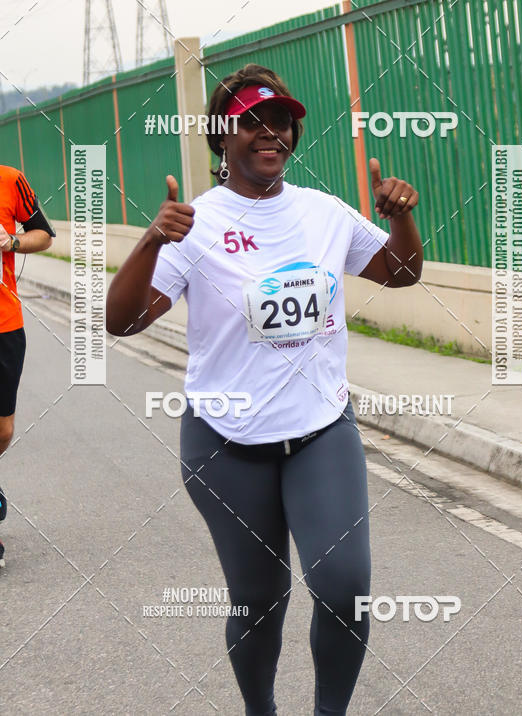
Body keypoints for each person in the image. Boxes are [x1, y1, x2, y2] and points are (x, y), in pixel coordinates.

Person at [106, 63, 423, 715]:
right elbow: (122, 320)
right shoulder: (197, 224)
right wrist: (148, 242)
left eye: (281, 121)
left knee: (343, 589)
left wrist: (401, 222)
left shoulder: (322, 214)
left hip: (320, 432)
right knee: (260, 603)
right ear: (224, 137)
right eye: (252, 121)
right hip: (226, 444)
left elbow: (400, 273)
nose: (270, 132)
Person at [0, 164, 55, 567]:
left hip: (4, 324)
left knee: (2, 430)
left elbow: (44, 235)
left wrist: (12, 241)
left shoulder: (10, 179)